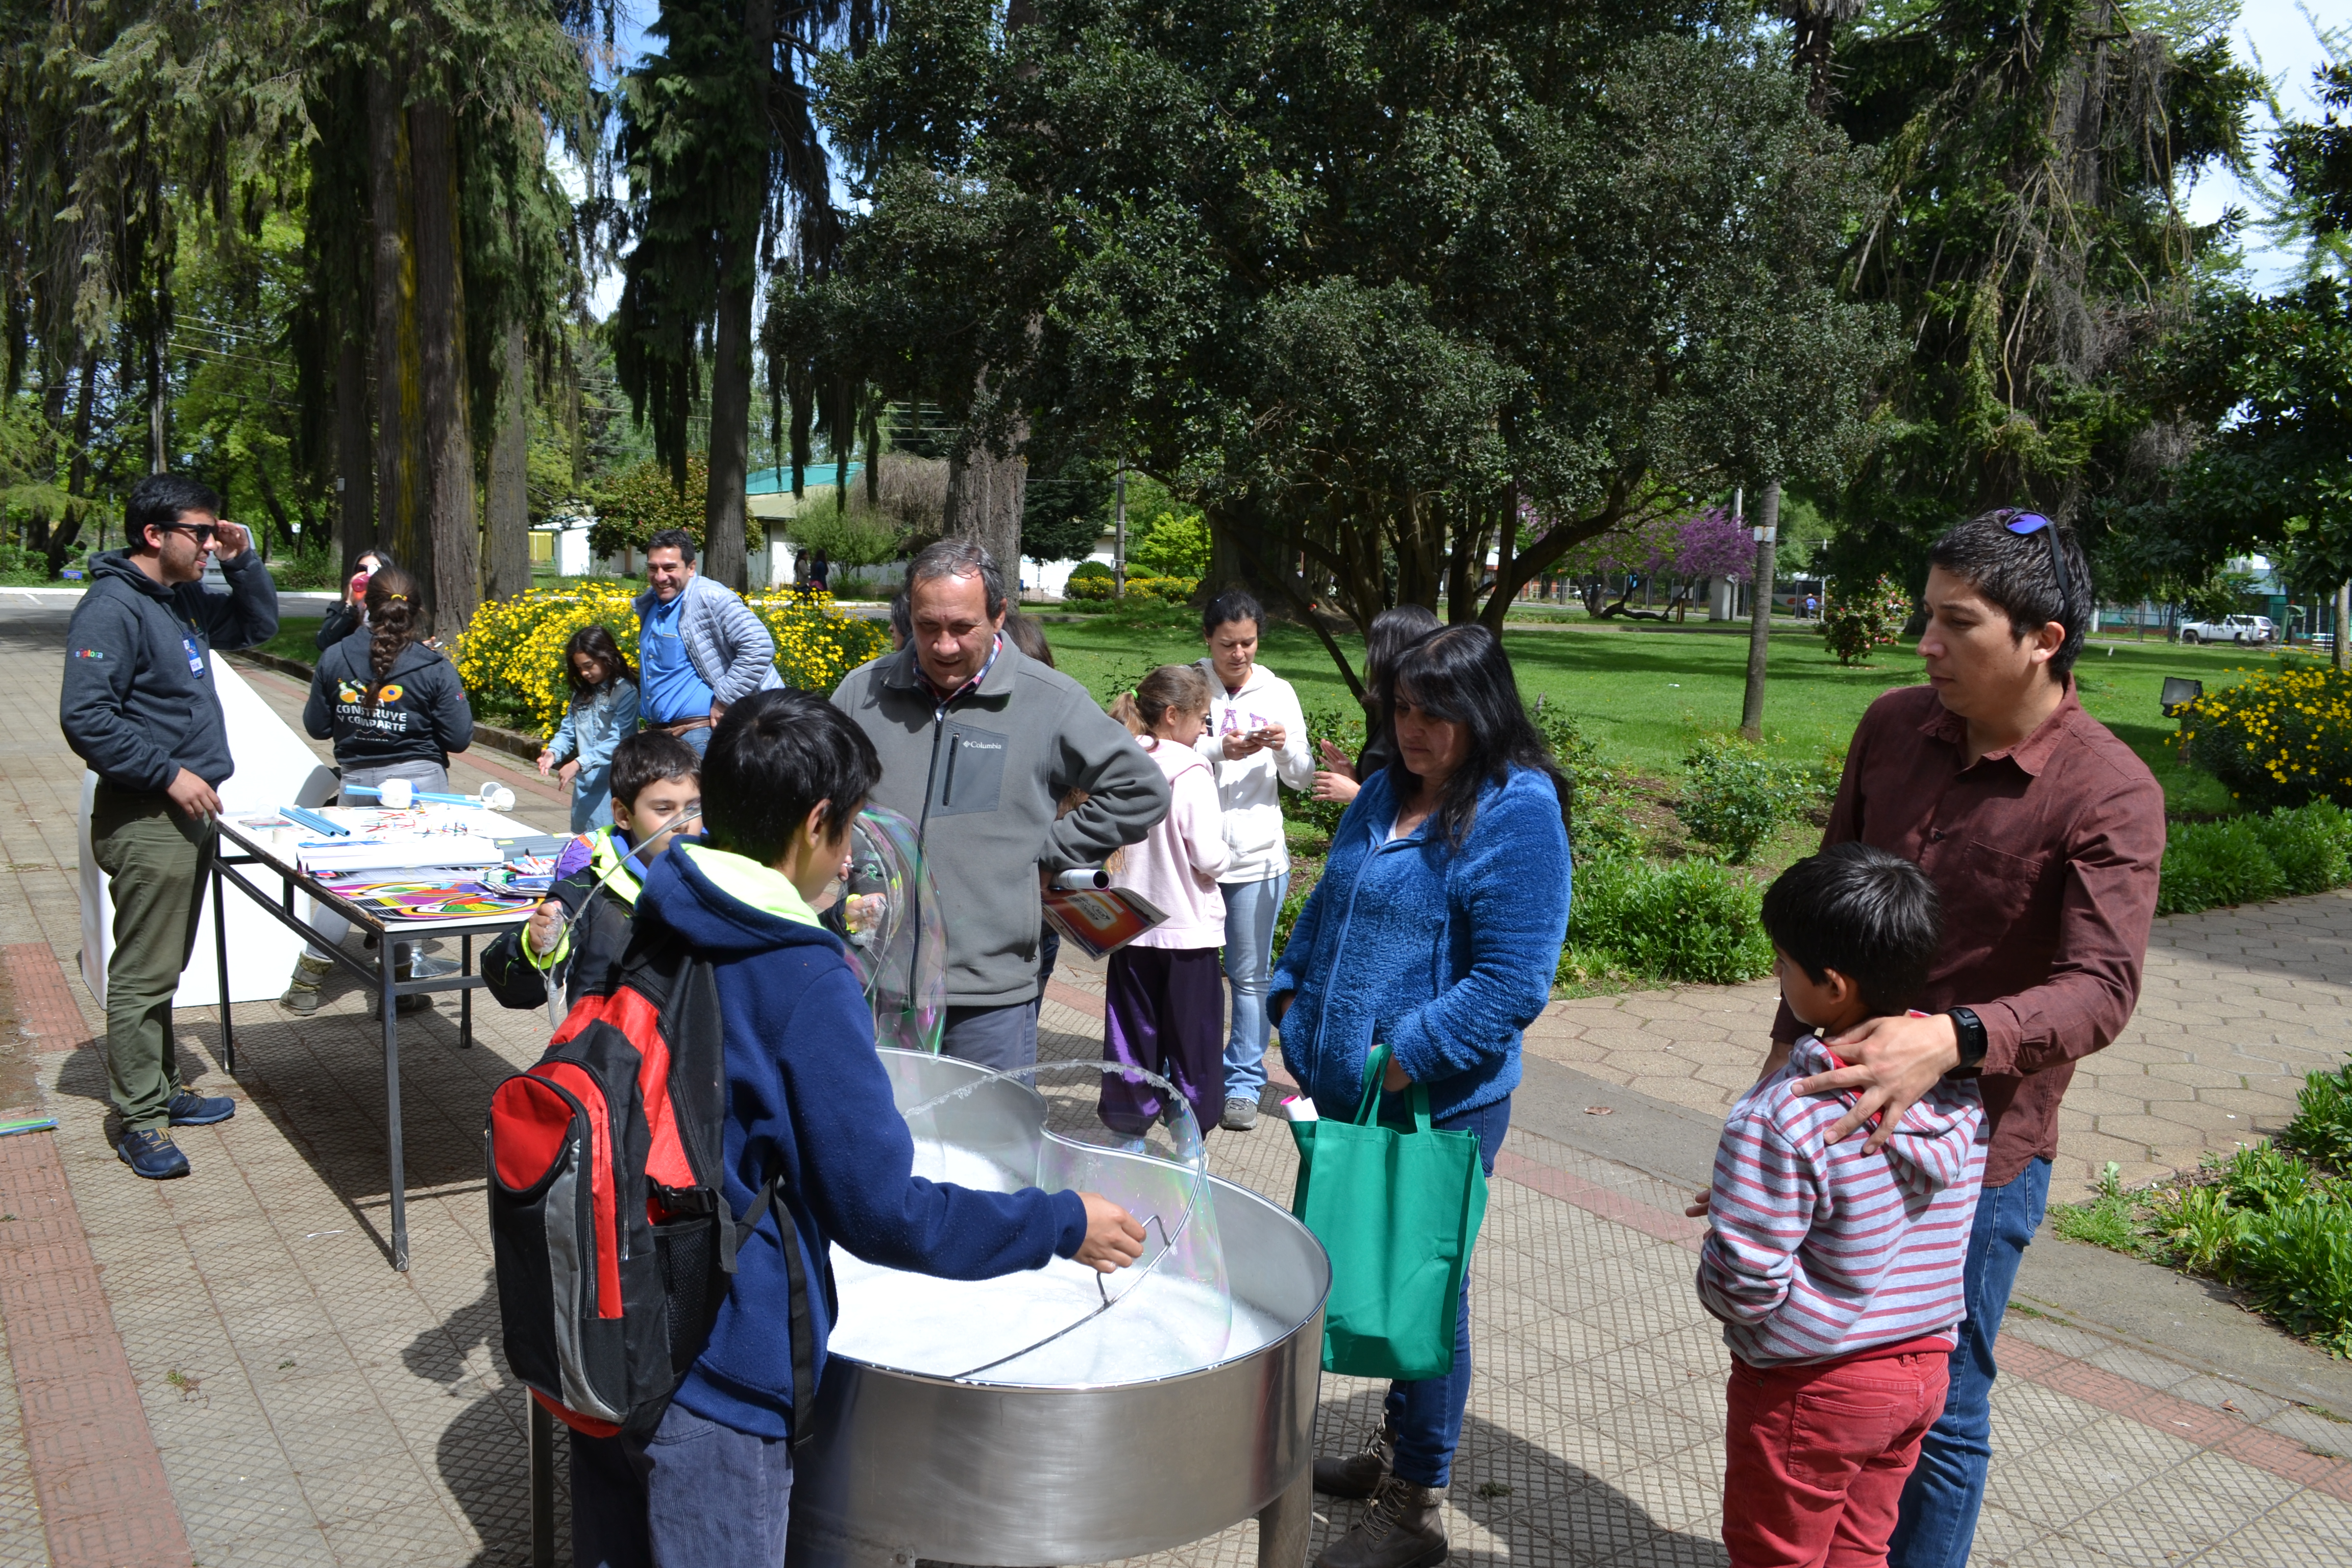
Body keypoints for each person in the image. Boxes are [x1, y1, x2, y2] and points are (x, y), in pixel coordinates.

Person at [571, 689, 1146, 1568]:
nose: (849, 855)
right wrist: (1062, 1223)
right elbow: (883, 1213)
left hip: (615, 1322)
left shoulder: (656, 906)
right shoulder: (799, 973)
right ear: (815, 823)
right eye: (845, 830)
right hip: (716, 1365)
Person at [1749, 511, 2164, 1568]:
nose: (1924, 643)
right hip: (1835, 1122)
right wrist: (1771, 1087)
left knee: (1937, 1403)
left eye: (1956, 623)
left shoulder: (2109, 791)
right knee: (1821, 1377)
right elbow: (1822, 915)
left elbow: (2101, 988)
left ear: (2043, 640)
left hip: (1975, 1157)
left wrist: (1954, 1038)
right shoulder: (1892, 728)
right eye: (1925, 616)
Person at [1271, 623, 1571, 1568]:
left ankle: (1417, 1503)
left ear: (1482, 712)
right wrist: (1288, 1000)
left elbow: (1514, 980)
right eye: (1402, 707)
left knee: (1425, 1288)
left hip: (1438, 1102)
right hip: (1348, 1093)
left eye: (1435, 713)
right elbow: (1327, 907)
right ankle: (1391, 1453)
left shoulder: (1516, 811)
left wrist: (1404, 1057)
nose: (1412, 729)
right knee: (1368, 1269)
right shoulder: (1384, 793)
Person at [1697, 844, 1984, 1568]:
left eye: (1783, 964)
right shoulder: (1954, 1089)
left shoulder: (1782, 1115)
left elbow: (1744, 1283)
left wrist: (1734, 1240)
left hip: (1813, 1383)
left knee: (1776, 1554)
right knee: (1861, 1547)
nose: (1777, 975)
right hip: (1922, 1365)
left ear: (1832, 986)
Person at [830, 539, 1171, 1071]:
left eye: (962, 627)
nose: (943, 645)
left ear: (998, 615)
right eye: (927, 626)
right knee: (878, 1126)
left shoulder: (1050, 701)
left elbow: (1141, 789)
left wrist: (1051, 854)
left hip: (989, 994)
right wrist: (838, 846)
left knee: (986, 1128)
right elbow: (820, 795)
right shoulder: (861, 693)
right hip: (876, 981)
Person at [61, 473, 275, 1180]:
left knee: (166, 966)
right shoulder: (112, 607)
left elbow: (256, 628)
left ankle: (161, 1089)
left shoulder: (178, 599)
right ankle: (140, 1119)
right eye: (201, 533)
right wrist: (168, 773)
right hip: (149, 813)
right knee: (143, 974)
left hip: (186, 814)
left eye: (216, 533)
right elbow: (86, 717)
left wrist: (244, 563)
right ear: (154, 535)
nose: (211, 544)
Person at [283, 565, 476, 1016]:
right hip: (419, 787)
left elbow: (316, 726)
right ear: (418, 610)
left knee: (348, 883)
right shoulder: (433, 666)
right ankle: (399, 987)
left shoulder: (335, 656)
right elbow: (459, 737)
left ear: (365, 605)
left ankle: (306, 982)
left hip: (356, 784)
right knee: (408, 884)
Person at [1189, 590, 1312, 1131]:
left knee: (1249, 976)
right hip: (1192, 858)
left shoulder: (1278, 692)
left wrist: (1282, 747)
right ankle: (1190, 1072)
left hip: (1258, 859)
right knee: (1190, 974)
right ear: (1207, 639)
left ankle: (1242, 1081)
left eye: (1248, 643)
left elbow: (1303, 777)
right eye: (1227, 644)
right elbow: (1156, 748)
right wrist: (1221, 749)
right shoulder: (1189, 684)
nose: (1238, 654)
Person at [483, 729, 701, 1013]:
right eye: (664, 809)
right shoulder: (587, 891)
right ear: (623, 815)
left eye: (694, 808)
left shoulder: (719, 879)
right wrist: (533, 947)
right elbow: (509, 986)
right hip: (607, 1036)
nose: (683, 823)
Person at [1101, 665, 1230, 1135]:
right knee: (1194, 1046)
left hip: (1130, 926)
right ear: (1173, 715)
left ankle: (1128, 1134)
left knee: (1131, 1040)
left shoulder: (1121, 757)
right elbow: (1209, 856)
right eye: (1203, 719)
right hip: (1185, 932)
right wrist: (1228, 855)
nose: (1205, 731)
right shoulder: (1191, 769)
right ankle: (1190, 1138)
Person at [634, 528, 781, 756]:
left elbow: (759, 647)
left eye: (670, 568)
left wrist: (725, 699)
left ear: (691, 567)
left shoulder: (710, 597)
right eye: (653, 568)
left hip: (701, 733)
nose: (660, 577)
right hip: (660, 736)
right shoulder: (651, 604)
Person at [1311, 603, 1442, 807]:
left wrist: (1356, 794)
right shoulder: (1396, 712)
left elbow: (1419, 808)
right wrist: (1355, 777)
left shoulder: (1423, 726)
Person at [537, 625, 642, 834]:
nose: (584, 673)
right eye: (579, 668)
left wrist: (578, 763)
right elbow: (568, 731)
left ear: (606, 657)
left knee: (611, 843)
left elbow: (619, 741)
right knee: (584, 843)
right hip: (586, 788)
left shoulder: (625, 692)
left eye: (589, 665)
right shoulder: (581, 695)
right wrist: (553, 752)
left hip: (614, 787)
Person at [317, 546, 392, 649]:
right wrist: (350, 605)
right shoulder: (341, 608)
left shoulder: (396, 606)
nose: (368, 575)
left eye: (376, 569)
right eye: (362, 569)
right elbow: (324, 643)